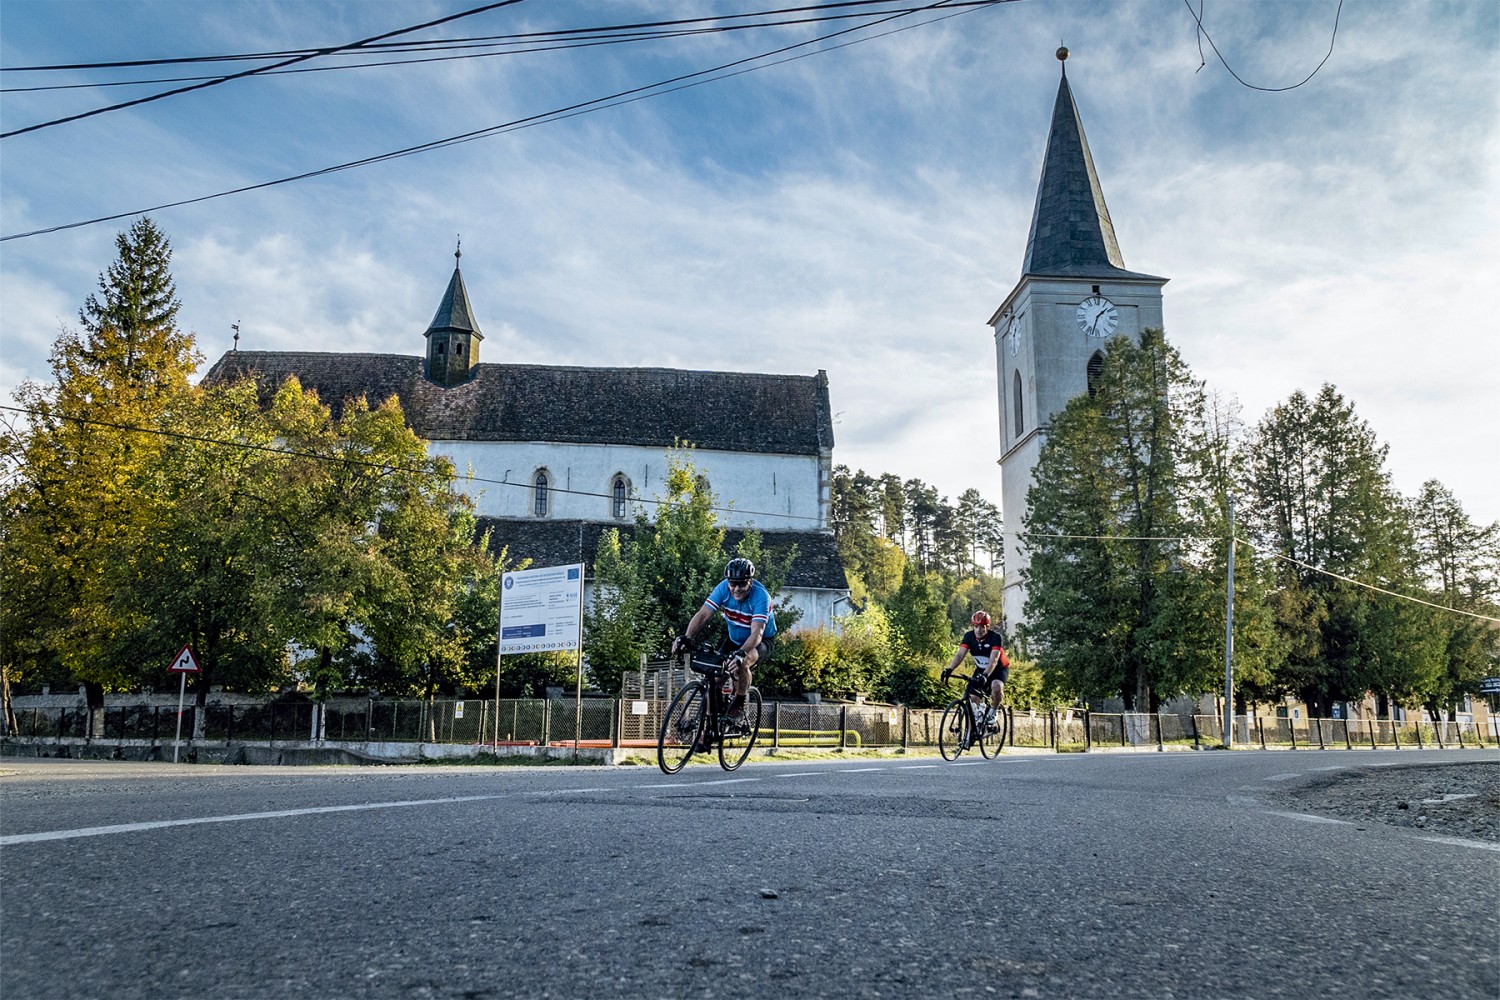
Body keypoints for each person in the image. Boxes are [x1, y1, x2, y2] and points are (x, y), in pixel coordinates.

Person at [671, 557, 775, 726]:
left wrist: (741, 654)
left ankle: (739, 704)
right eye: (732, 583)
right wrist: (687, 637)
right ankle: (709, 730)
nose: (736, 589)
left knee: (742, 663)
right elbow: (703, 614)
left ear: (750, 582)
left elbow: (757, 633)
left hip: (760, 641)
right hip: (734, 639)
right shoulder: (723, 589)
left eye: (742, 584)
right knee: (714, 676)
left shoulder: (761, 597)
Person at [942, 610, 1010, 734]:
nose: (979, 630)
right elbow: (960, 654)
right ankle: (971, 734)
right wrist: (950, 669)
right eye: (976, 626)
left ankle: (993, 713)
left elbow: (994, 660)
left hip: (998, 669)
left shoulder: (995, 637)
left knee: (996, 686)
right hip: (981, 669)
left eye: (982, 627)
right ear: (973, 626)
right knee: (972, 698)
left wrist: (985, 675)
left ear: (987, 627)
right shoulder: (969, 636)